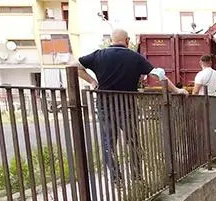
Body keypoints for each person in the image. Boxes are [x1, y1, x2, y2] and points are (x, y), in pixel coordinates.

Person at [72, 28, 187, 186]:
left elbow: (74, 66)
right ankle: (137, 176)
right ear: (126, 41)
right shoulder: (135, 57)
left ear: (111, 40)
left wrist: (92, 82)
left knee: (108, 143)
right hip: (128, 105)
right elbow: (158, 75)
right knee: (133, 142)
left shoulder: (98, 55)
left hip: (105, 105)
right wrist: (176, 90)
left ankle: (116, 179)